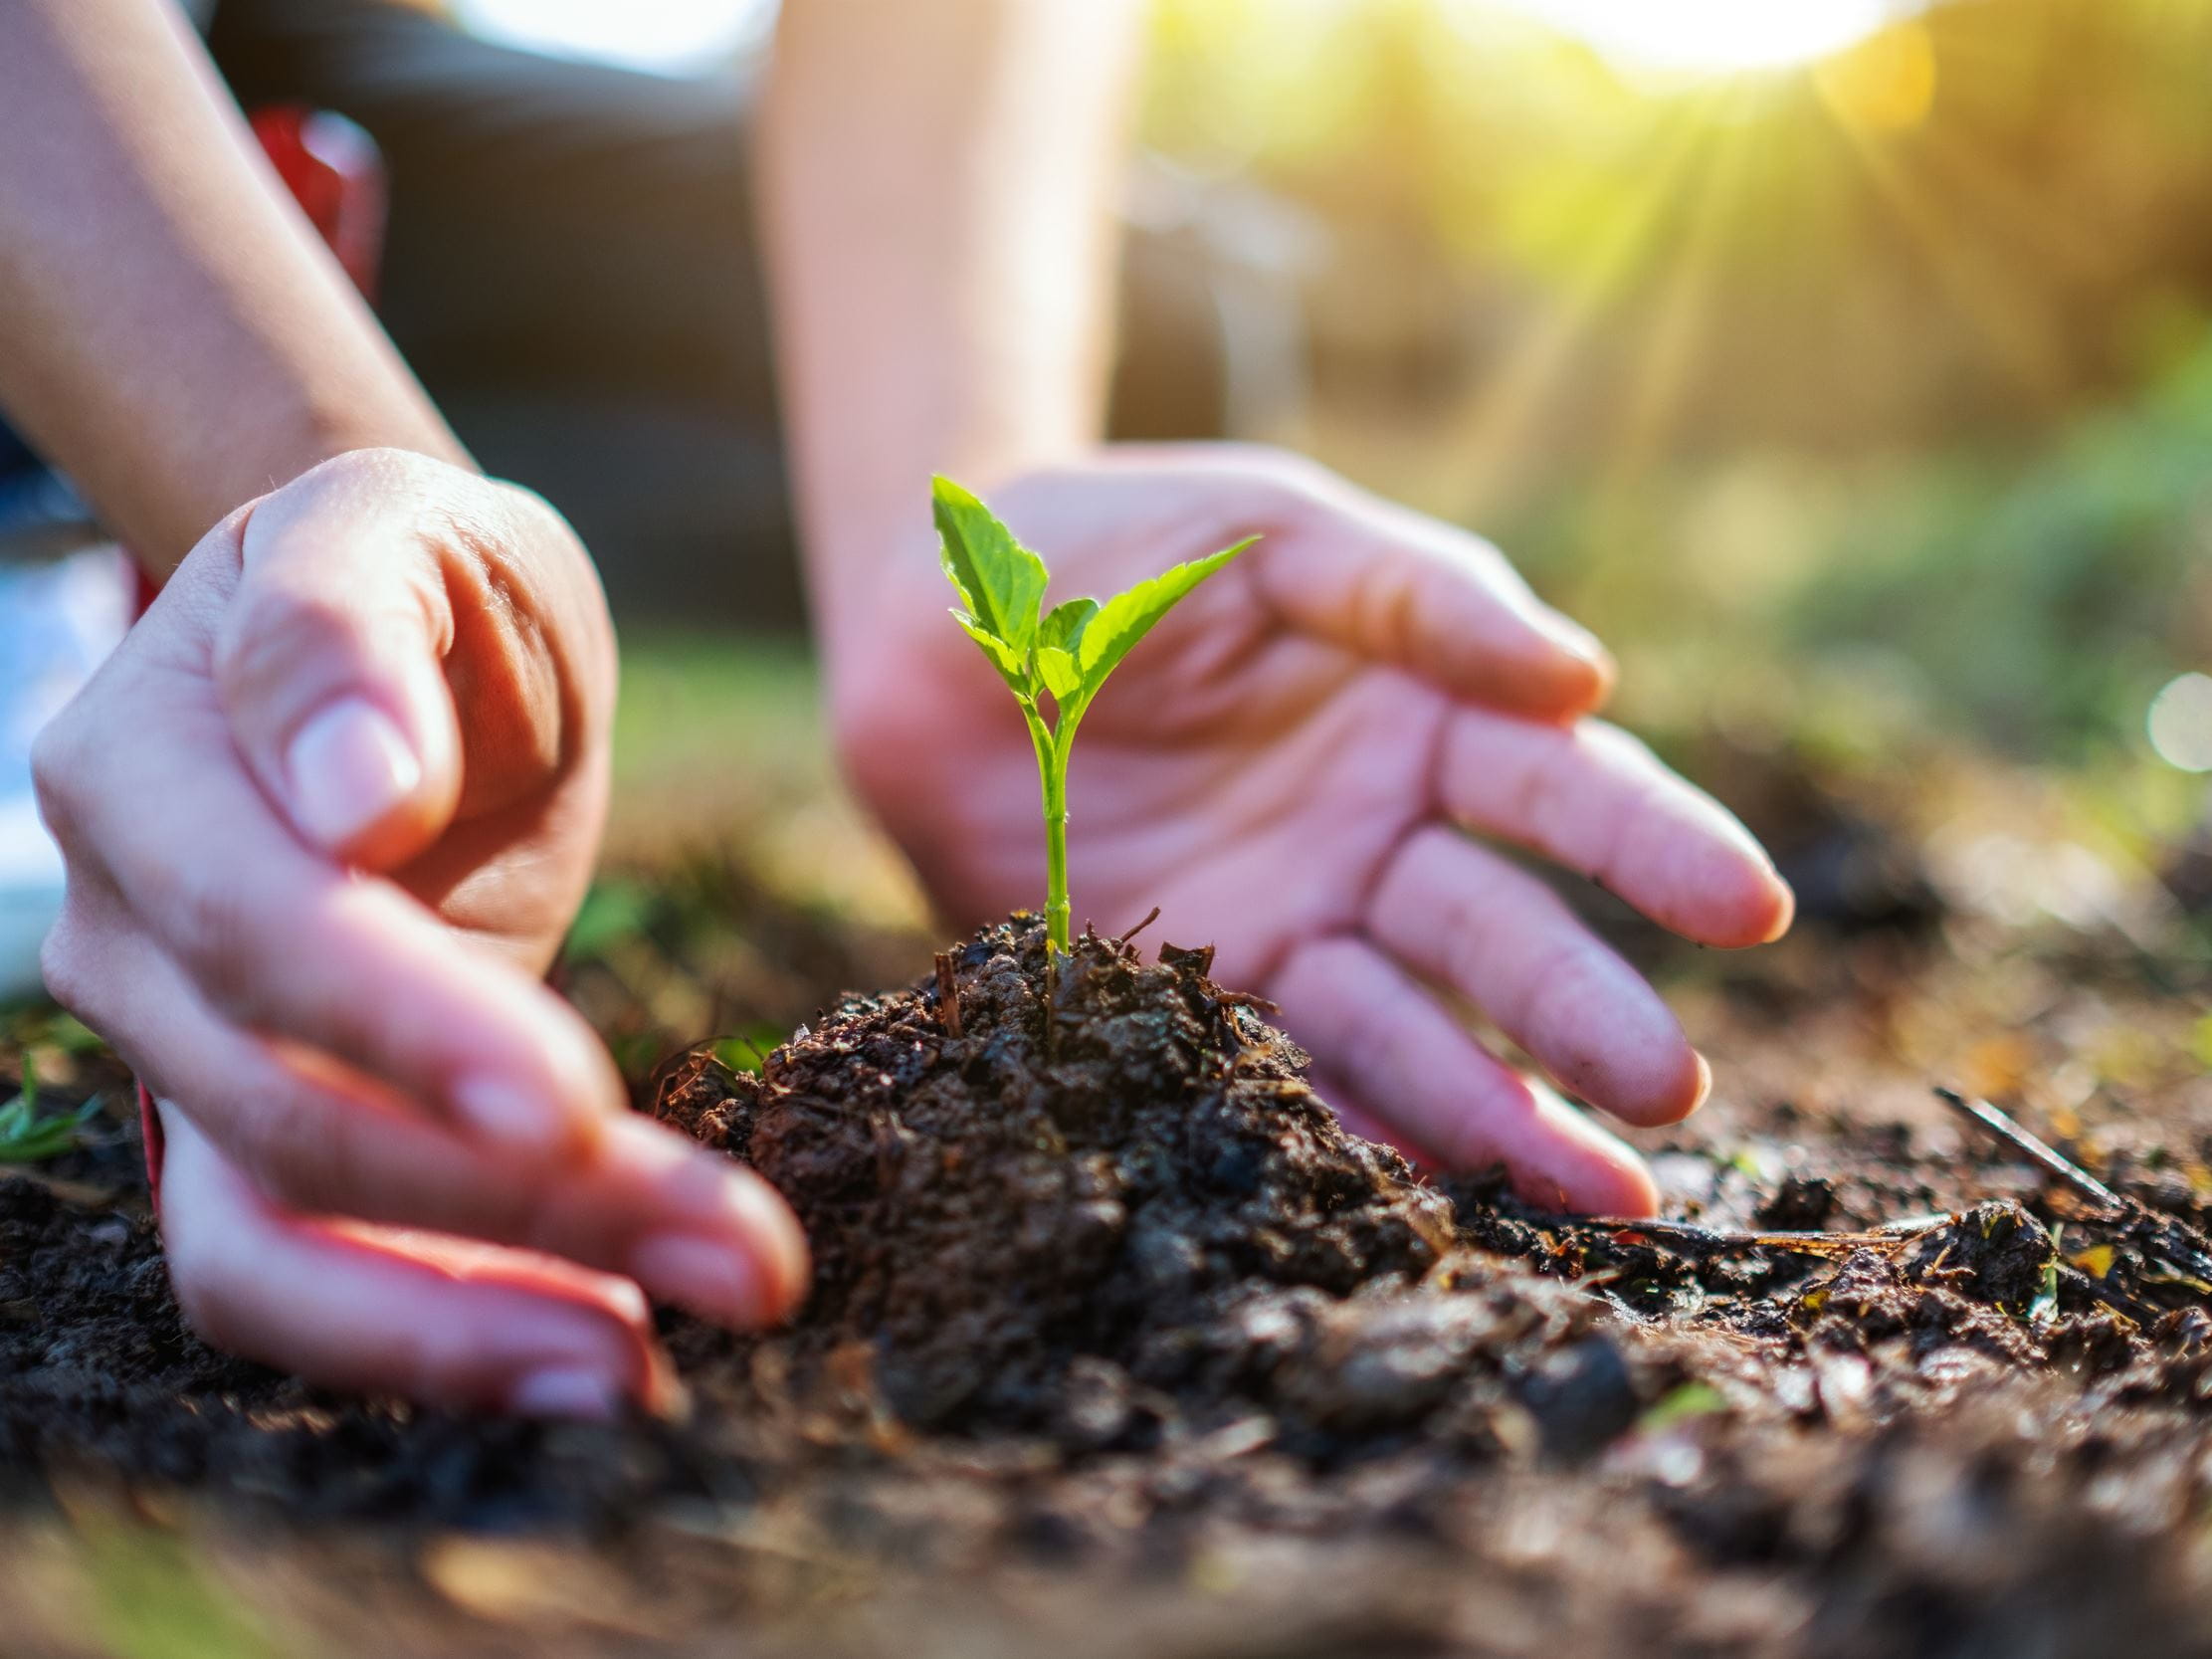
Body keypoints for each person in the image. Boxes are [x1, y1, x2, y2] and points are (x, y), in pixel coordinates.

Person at [0, 0, 1792, 1419]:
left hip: (285, 54)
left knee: (1184, 306)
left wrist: (956, 495)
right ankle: (101, 529)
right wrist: (291, 464)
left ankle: (322, 523)